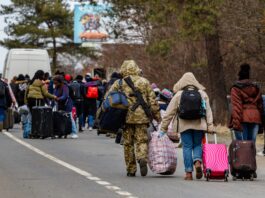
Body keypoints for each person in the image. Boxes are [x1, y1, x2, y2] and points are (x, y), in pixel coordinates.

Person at [108, 60, 160, 177]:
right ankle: (142, 158)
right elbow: (153, 101)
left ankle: (131, 169)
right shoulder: (144, 81)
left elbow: (109, 98)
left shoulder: (119, 83)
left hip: (125, 116)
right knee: (142, 140)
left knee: (128, 143)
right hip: (142, 117)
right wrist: (157, 116)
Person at [160, 72, 214, 181]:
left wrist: (163, 128)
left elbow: (169, 113)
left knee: (187, 147)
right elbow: (208, 111)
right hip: (199, 124)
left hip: (184, 124)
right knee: (197, 145)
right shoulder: (202, 94)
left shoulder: (179, 95)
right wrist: (210, 126)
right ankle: (197, 162)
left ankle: (189, 173)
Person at [229, 64, 263, 144]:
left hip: (242, 118)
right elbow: (260, 106)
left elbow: (236, 107)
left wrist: (236, 125)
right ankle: (251, 157)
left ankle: (243, 157)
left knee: (242, 146)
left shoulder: (236, 88)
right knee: (251, 145)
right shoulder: (256, 87)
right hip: (255, 117)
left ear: (239, 75)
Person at [24, 70, 57, 138]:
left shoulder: (30, 82)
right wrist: (54, 97)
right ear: (42, 75)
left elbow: (26, 93)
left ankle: (27, 133)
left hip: (30, 100)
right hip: (37, 100)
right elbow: (45, 94)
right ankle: (36, 132)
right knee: (37, 117)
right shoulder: (41, 83)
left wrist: (26, 102)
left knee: (30, 116)